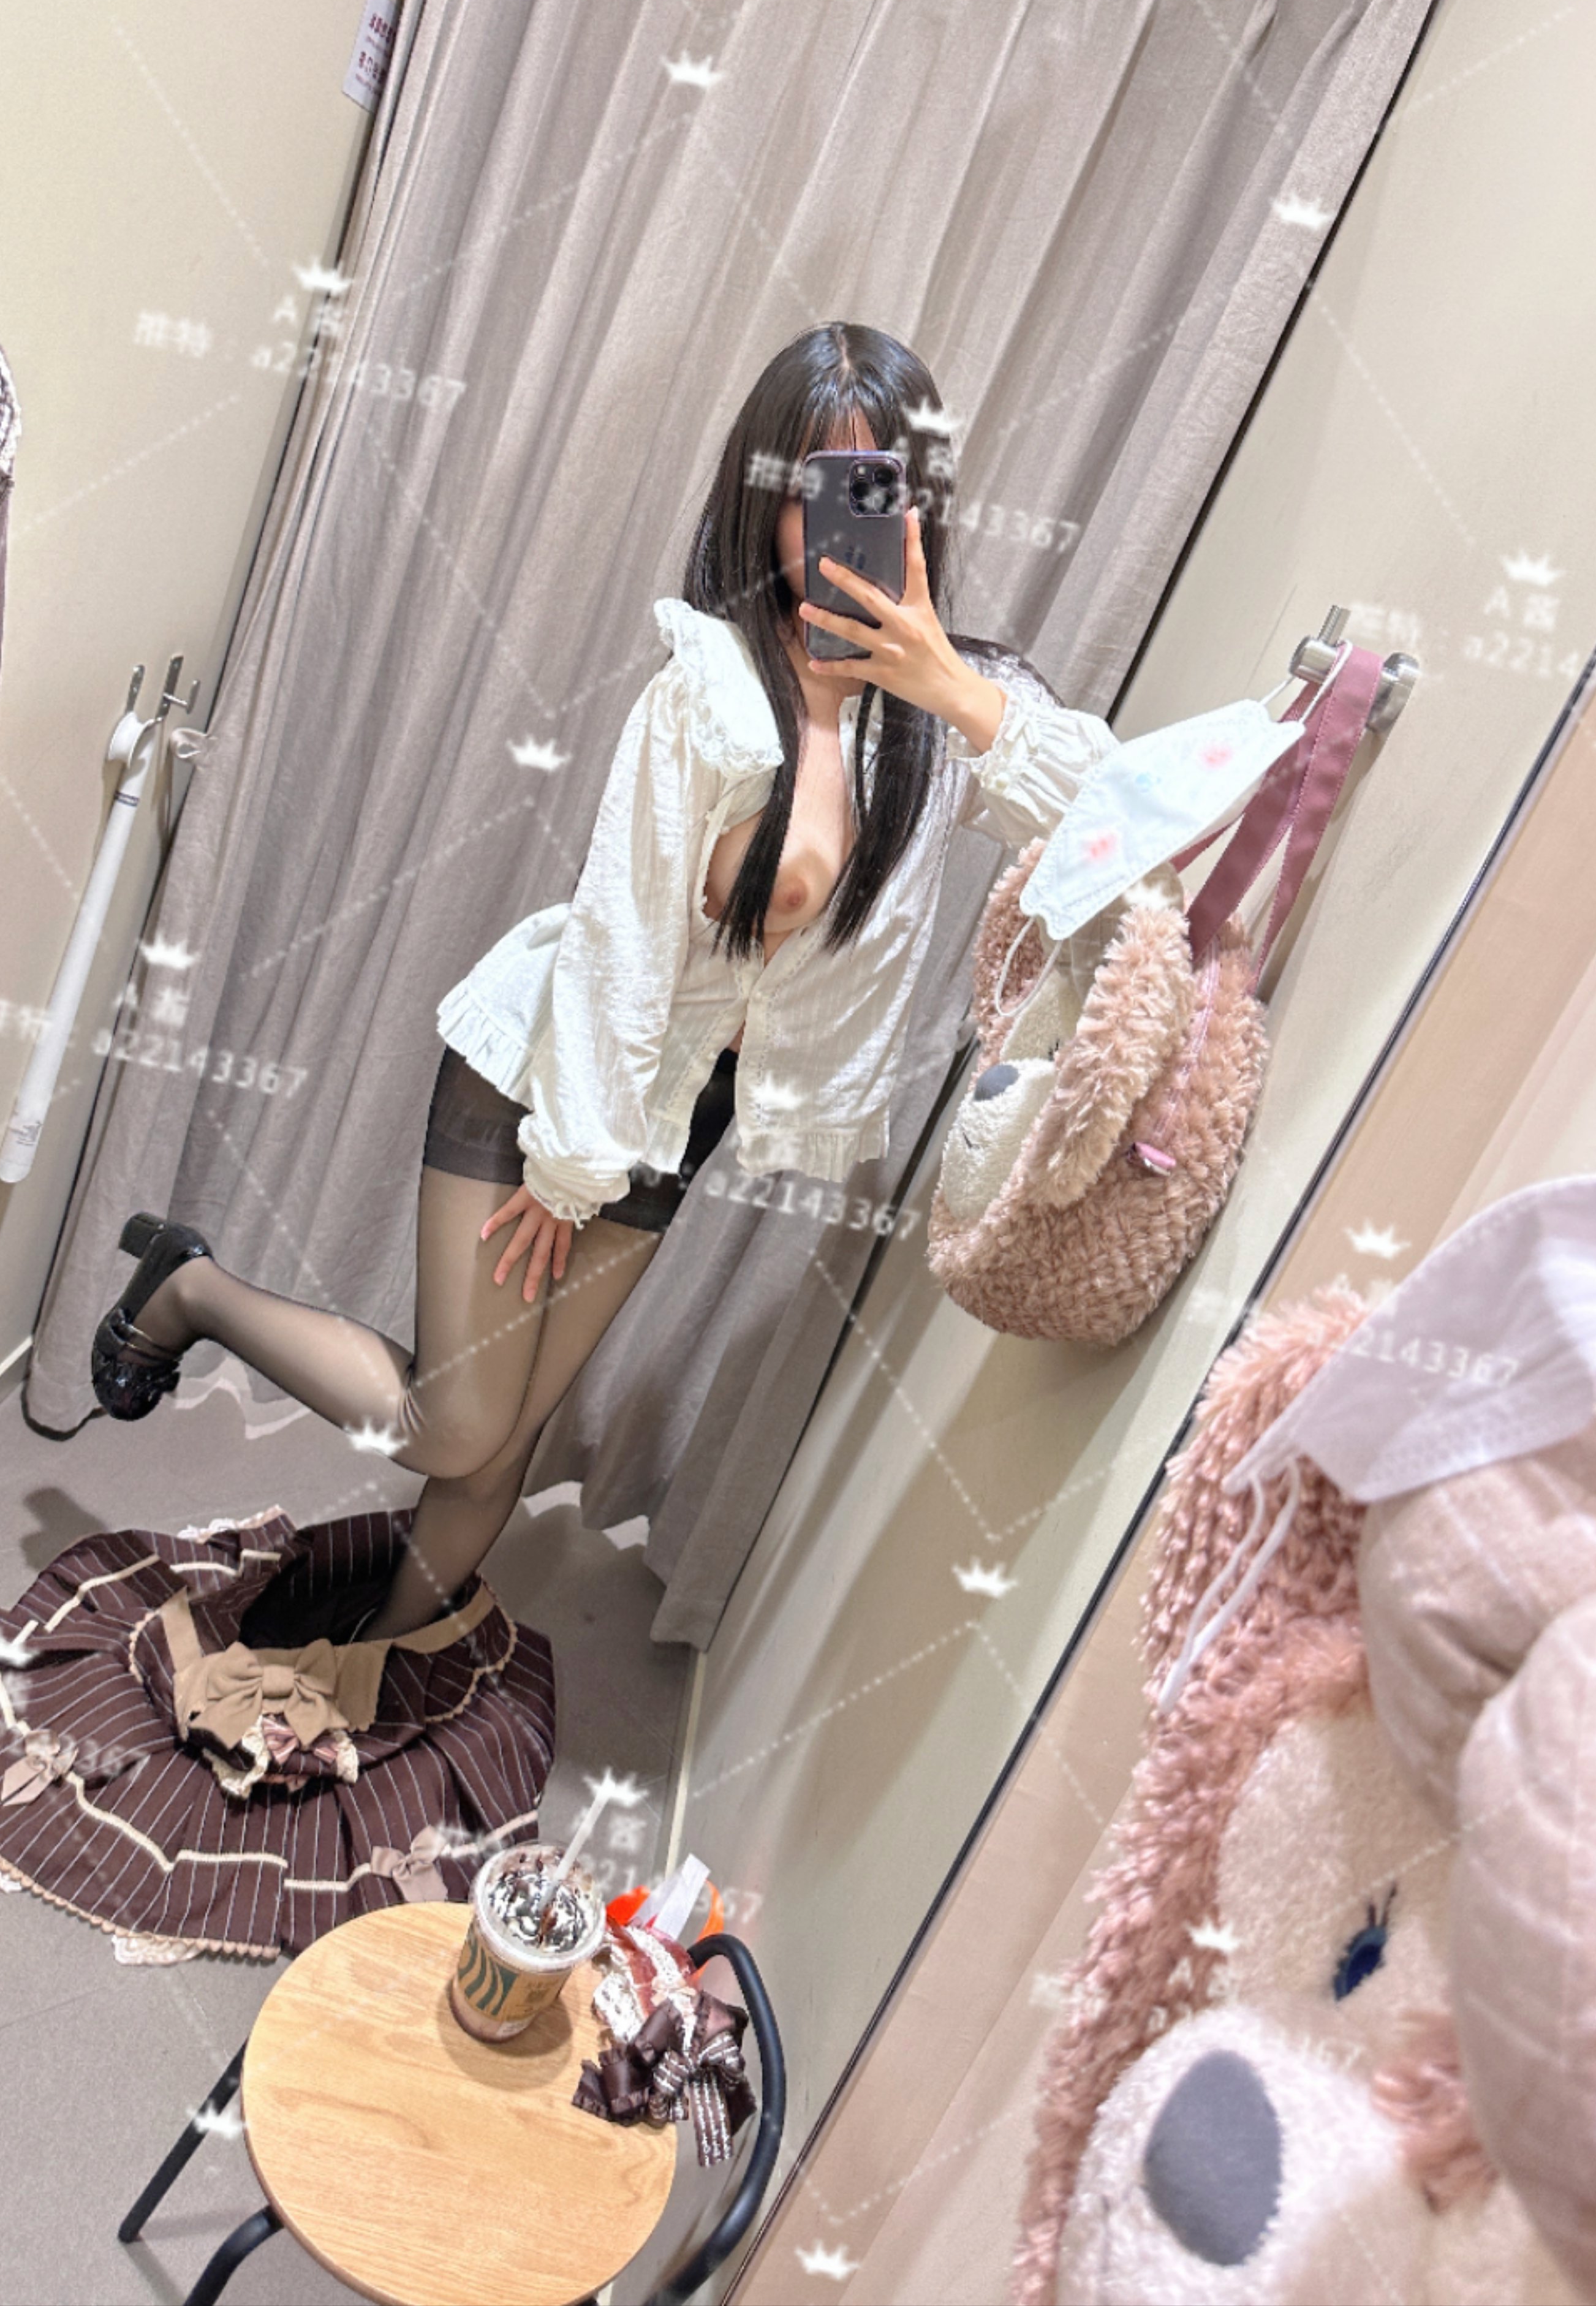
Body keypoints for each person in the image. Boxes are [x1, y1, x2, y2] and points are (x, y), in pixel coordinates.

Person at [89, 323, 1119, 1646]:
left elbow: (1117, 819)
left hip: (678, 1115)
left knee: (510, 1435)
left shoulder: (947, 716)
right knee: (452, 1424)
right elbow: (620, 950)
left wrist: (951, 690)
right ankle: (187, 1289)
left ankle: (377, 1661)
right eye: (818, 487)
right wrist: (570, 1166)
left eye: (884, 487)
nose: (846, 527)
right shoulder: (710, 691)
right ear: (766, 499)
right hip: (551, 1077)